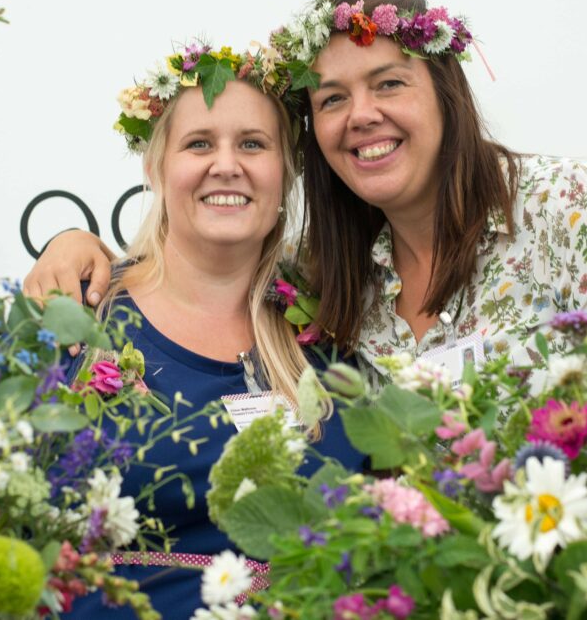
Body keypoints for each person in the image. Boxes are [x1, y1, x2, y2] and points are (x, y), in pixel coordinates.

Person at [25, 0, 587, 376]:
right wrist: (74, 244)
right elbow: (193, 273)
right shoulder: (328, 280)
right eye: (332, 99)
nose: (362, 116)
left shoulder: (565, 208)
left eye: (388, 83)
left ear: (446, 95)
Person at [58, 41, 363, 619]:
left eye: (253, 143)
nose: (227, 164)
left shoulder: (335, 327)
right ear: (155, 166)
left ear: (285, 171)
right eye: (199, 143)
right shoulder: (82, 316)